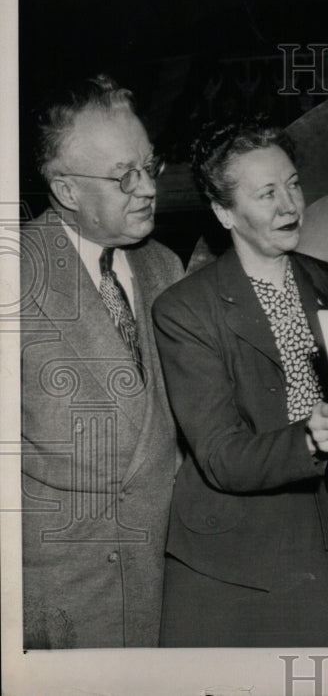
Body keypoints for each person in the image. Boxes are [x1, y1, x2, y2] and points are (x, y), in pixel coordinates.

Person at [151, 123, 328, 646]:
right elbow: (219, 455)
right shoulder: (185, 309)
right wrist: (311, 440)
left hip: (324, 539)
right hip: (228, 561)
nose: (289, 205)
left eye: (293, 184)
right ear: (224, 212)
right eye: (266, 193)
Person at [20, 74, 184, 648]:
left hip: (156, 587)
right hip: (55, 604)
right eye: (123, 176)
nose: (146, 189)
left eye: (149, 166)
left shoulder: (166, 267)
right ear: (66, 190)